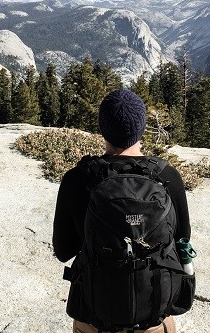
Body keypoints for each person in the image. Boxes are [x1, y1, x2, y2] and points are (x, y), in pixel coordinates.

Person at [53, 89, 193, 333]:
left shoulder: (77, 179)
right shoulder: (167, 177)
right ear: (142, 128)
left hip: (94, 316)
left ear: (103, 129)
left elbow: (64, 251)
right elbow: (182, 239)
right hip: (152, 315)